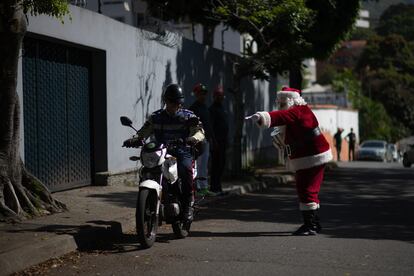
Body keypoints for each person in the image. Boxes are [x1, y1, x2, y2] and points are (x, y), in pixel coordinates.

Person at [247, 87, 332, 236]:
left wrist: (262, 116)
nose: (279, 105)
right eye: (278, 102)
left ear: (292, 99)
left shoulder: (298, 110)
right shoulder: (297, 111)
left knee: (307, 190)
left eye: (282, 102)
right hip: (309, 157)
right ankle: (314, 223)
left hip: (313, 156)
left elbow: (282, 116)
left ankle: (311, 225)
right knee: (306, 189)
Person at [123, 84, 205, 224]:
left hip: (182, 151)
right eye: (170, 101)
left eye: (176, 102)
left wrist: (193, 138)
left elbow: (200, 132)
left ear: (180, 102)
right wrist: (135, 139)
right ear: (165, 101)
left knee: (185, 170)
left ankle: (188, 206)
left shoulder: (188, 116)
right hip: (160, 151)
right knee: (147, 170)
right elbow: (144, 132)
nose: (173, 105)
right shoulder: (156, 117)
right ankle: (151, 201)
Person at [189, 83, 216, 197]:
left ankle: (203, 187)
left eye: (204, 93)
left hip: (207, 140)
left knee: (204, 165)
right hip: (198, 141)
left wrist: (213, 138)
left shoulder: (205, 107)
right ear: (196, 94)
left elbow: (209, 124)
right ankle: (198, 187)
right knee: (197, 165)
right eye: (200, 93)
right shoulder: (193, 108)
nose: (203, 96)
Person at [209, 85, 229, 194]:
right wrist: (214, 141)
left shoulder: (222, 108)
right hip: (217, 142)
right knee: (216, 165)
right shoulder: (212, 109)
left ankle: (218, 187)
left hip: (223, 141)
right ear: (214, 96)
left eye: (221, 95)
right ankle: (214, 187)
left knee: (221, 164)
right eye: (218, 95)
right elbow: (211, 127)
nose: (220, 97)